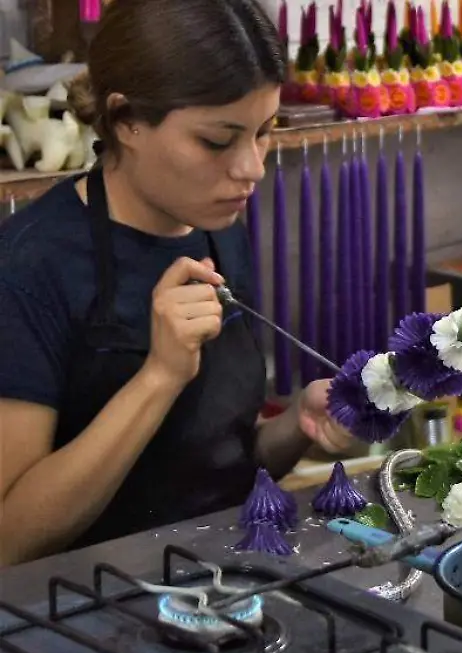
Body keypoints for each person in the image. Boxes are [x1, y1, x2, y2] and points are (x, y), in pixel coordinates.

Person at [0, 0, 357, 566]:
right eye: (218, 141)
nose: (251, 169)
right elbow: (10, 539)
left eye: (263, 133)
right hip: (80, 615)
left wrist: (296, 426)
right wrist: (159, 377)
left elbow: (210, 470)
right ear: (126, 120)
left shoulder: (218, 229)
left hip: (222, 582)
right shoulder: (29, 269)